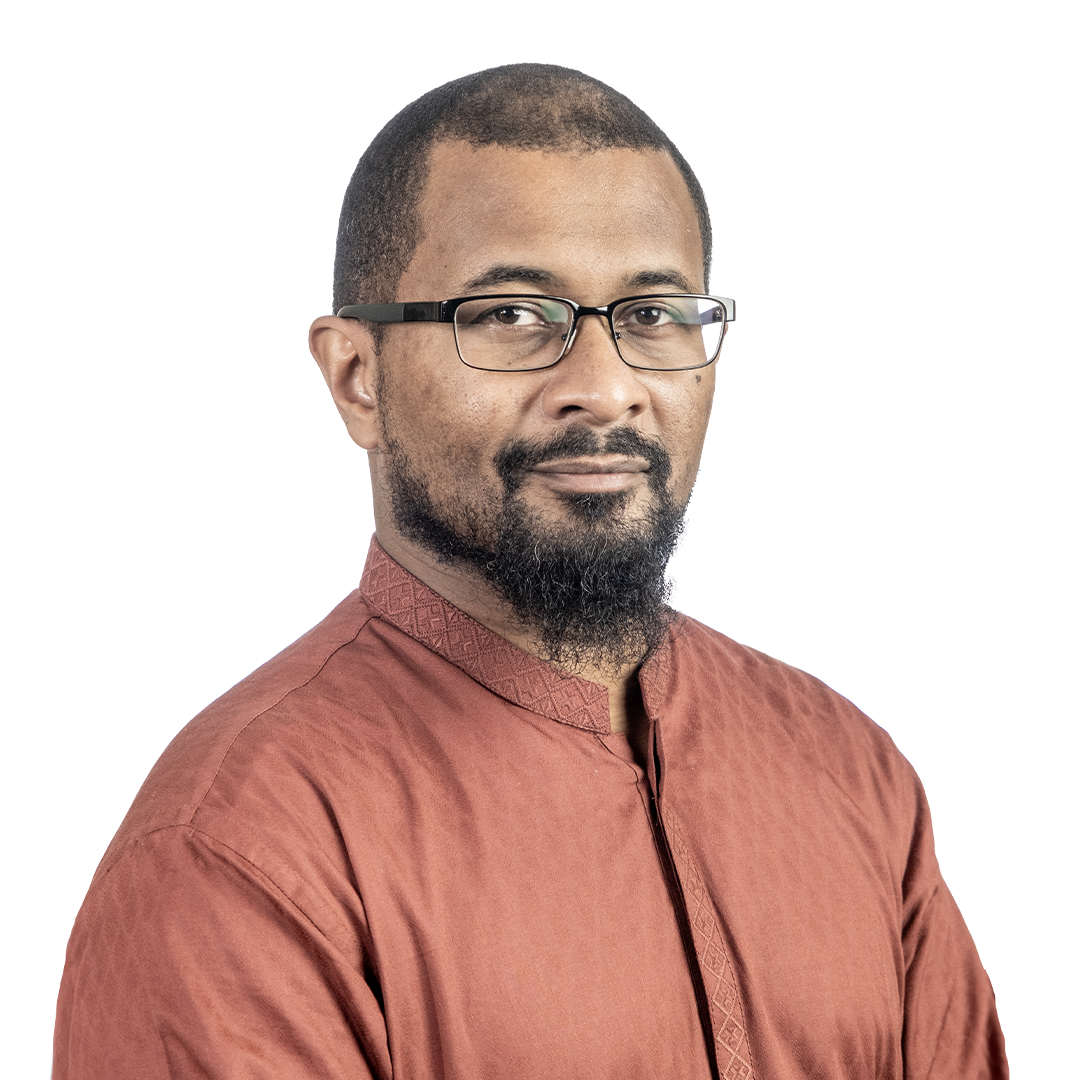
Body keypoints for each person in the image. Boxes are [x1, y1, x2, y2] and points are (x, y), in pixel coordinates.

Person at [54, 64, 1004, 1079]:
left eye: (653, 315)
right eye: (510, 315)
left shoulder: (849, 770)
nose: (605, 389)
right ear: (357, 377)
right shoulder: (238, 850)